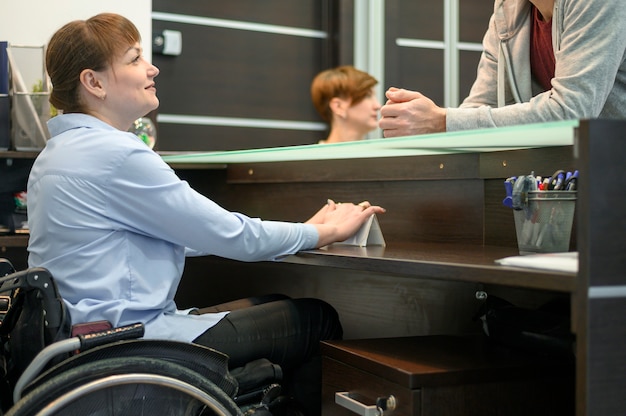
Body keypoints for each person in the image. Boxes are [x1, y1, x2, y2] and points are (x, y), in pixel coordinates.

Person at [27, 13, 385, 415]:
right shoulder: (116, 154)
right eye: (134, 59)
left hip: (85, 344)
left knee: (276, 301)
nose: (152, 67)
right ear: (93, 83)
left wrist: (305, 230)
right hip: (132, 344)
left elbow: (175, 235)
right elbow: (230, 235)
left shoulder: (56, 155)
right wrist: (320, 233)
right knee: (316, 320)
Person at [379, 0, 626, 137]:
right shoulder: (507, 9)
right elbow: (480, 106)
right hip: (571, 174)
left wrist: (441, 121)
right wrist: (428, 124)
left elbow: (571, 111)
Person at [310, 65, 381, 144]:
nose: (378, 106)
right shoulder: (315, 156)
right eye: (367, 96)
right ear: (338, 106)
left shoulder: (378, 154)